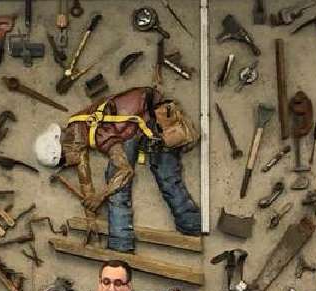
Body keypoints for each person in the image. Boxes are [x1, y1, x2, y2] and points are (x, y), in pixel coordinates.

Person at [33, 87, 201, 253]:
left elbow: (126, 172)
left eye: (63, 161)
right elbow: (85, 182)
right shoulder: (76, 129)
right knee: (122, 181)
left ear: (64, 147)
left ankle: (190, 223)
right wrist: (91, 221)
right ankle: (121, 242)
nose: (67, 165)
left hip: (151, 114)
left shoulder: (102, 136)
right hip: (129, 125)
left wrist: (101, 196)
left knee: (164, 175)